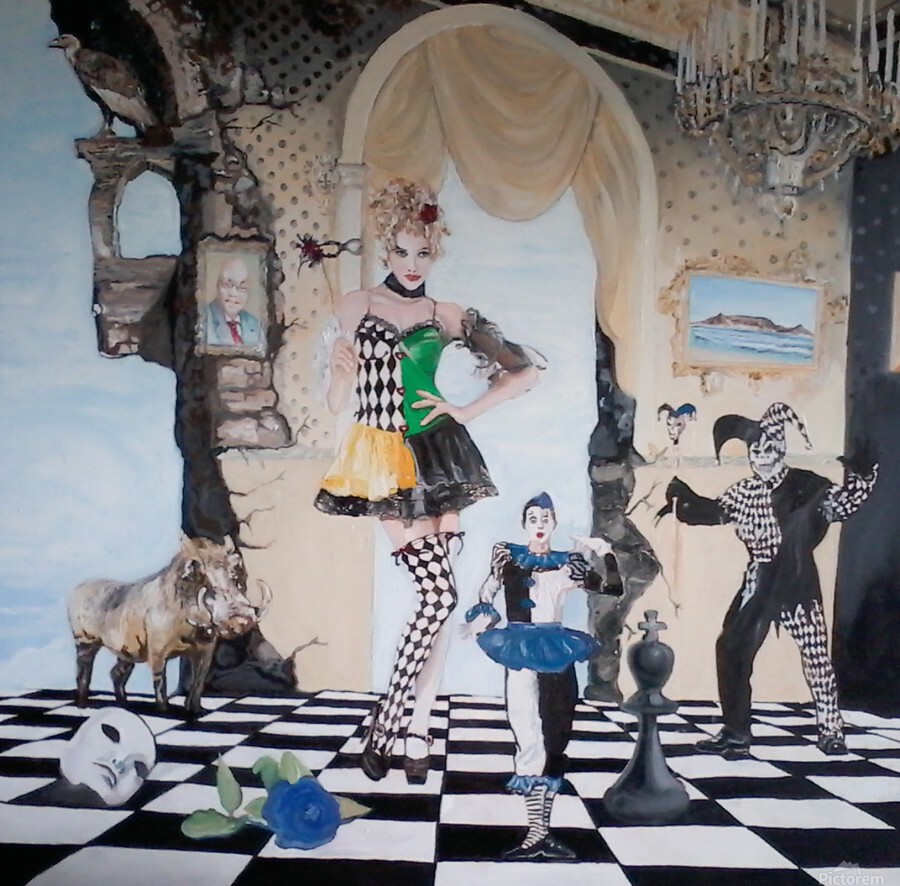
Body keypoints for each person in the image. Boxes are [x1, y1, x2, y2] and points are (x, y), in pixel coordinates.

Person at [315, 179, 541, 783]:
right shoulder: (356, 305)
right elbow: (336, 400)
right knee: (438, 596)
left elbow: (524, 371)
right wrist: (339, 374)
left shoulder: (446, 315)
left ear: (435, 253)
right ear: (385, 251)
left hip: (440, 457)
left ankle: (414, 726)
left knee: (437, 602)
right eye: (402, 252)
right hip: (382, 457)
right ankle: (392, 719)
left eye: (424, 253)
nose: (413, 264)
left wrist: (464, 411)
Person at [656, 402, 878, 757]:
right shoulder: (744, 492)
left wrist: (862, 476)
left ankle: (831, 731)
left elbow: (843, 506)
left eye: (768, 449)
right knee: (732, 648)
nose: (761, 457)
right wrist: (682, 497)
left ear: (781, 450)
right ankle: (736, 732)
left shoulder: (809, 485)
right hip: (759, 582)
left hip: (797, 581)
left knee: (816, 657)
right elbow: (713, 513)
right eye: (755, 451)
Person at [462, 492, 623, 860]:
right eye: (533, 518)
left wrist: (606, 553)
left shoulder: (569, 564)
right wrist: (482, 617)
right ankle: (535, 832)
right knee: (527, 735)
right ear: (523, 523)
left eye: (545, 518)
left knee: (555, 736)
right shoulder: (507, 556)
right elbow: (487, 590)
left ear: (554, 523)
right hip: (519, 650)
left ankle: (541, 833)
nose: (539, 525)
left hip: (557, 652)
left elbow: (612, 588)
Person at [205, 256, 264, 347]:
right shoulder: (204, 318)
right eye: (227, 285)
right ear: (217, 286)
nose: (233, 294)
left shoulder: (255, 324)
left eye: (242, 288)